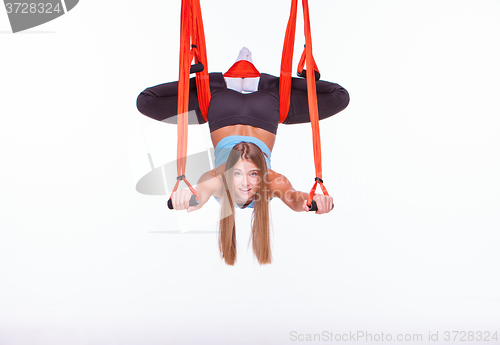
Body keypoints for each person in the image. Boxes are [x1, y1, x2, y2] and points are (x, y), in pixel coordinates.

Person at [136, 47, 349, 264]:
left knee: (146, 101)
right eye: (254, 173)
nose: (246, 182)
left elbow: (199, 194)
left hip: (220, 106)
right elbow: (295, 199)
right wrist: (314, 201)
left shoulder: (218, 181)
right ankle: (258, 82)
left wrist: (187, 198)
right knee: (340, 97)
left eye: (238, 173)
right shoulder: (272, 182)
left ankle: (224, 81)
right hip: (266, 106)